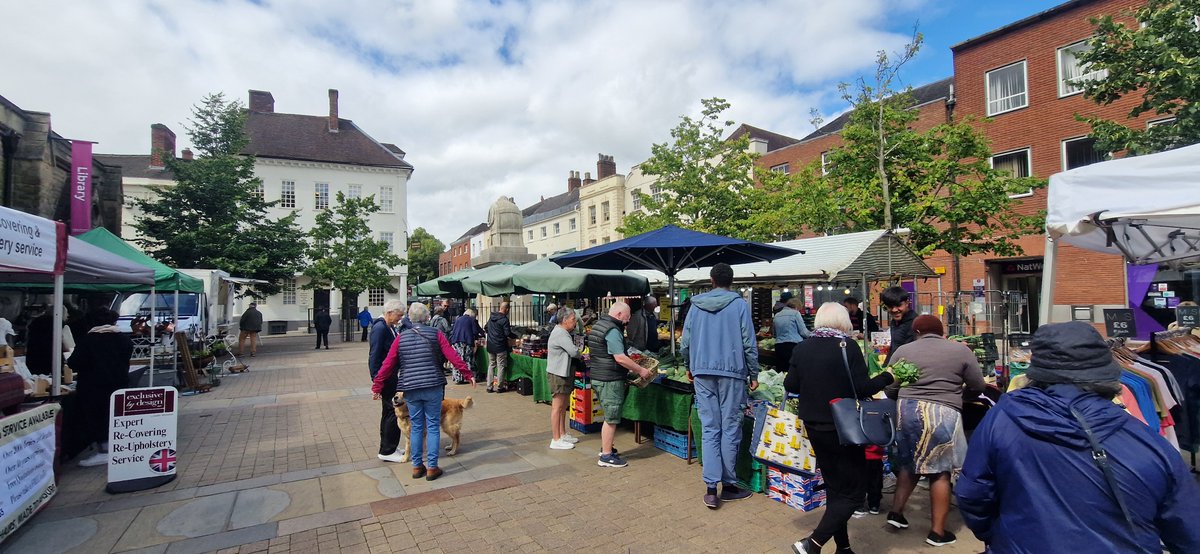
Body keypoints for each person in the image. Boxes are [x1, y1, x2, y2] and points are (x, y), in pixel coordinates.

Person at [956, 321, 1200, 553]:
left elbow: (973, 495)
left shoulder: (1002, 419)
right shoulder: (1149, 442)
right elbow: (1188, 532)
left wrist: (999, 536)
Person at [784, 302, 896, 554]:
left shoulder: (802, 347)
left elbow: (791, 383)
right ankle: (811, 544)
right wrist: (889, 376)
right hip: (843, 428)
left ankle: (843, 548)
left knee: (836, 490)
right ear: (843, 321)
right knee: (855, 494)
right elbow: (863, 389)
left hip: (814, 427)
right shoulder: (848, 346)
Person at [881, 314, 985, 546]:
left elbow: (889, 387)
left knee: (909, 463)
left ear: (916, 332)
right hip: (943, 413)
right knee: (940, 471)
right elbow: (978, 386)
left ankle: (896, 514)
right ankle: (937, 532)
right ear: (941, 331)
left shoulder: (903, 351)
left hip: (908, 412)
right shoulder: (960, 350)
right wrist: (958, 395)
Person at [681, 263, 759, 509]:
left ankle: (711, 489)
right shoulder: (739, 305)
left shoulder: (695, 305)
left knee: (710, 428)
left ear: (712, 280)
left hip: (702, 372)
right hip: (733, 373)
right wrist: (753, 371)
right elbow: (749, 341)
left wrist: (688, 365)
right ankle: (730, 485)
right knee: (730, 428)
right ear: (731, 281)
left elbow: (686, 341)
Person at [372, 303, 475, 481]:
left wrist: (377, 385)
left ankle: (417, 466)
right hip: (433, 386)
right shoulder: (436, 334)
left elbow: (388, 363)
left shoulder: (401, 338)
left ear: (409, 318)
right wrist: (467, 373)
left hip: (410, 387)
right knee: (433, 426)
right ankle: (432, 468)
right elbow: (452, 355)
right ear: (427, 318)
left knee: (417, 427)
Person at [588, 301, 652, 468]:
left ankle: (607, 448)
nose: (628, 321)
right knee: (612, 417)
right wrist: (641, 371)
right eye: (627, 317)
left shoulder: (599, 324)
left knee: (609, 415)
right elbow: (620, 358)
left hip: (598, 375)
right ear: (618, 315)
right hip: (609, 378)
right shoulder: (612, 330)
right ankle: (606, 456)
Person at [68, 308, 134, 467]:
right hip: (119, 384)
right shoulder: (123, 339)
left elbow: (73, 362)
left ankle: (103, 451)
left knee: (97, 417)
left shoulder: (88, 340)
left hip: (93, 386)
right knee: (114, 415)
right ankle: (115, 447)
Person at [370, 300, 407, 463]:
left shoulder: (389, 327)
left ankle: (389, 446)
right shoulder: (380, 328)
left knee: (388, 412)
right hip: (385, 377)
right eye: (398, 315)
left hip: (390, 375)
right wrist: (377, 380)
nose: (399, 319)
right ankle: (387, 450)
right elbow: (375, 355)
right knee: (392, 412)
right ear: (390, 312)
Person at [547, 308, 581, 450]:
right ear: (565, 320)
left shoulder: (562, 332)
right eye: (573, 320)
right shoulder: (561, 333)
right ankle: (556, 439)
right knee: (557, 407)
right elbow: (573, 351)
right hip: (558, 374)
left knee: (562, 406)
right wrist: (580, 352)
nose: (575, 323)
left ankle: (562, 433)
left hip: (563, 372)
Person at [485, 301, 517, 393]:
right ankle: (499, 387)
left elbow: (486, 327)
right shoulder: (504, 319)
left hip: (490, 345)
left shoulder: (492, 317)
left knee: (491, 365)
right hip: (500, 346)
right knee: (500, 365)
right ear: (506, 309)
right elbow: (507, 333)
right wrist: (515, 336)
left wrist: (492, 334)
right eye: (508, 309)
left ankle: (489, 386)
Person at [773, 298, 810, 373]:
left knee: (781, 372)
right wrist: (813, 335)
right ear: (797, 307)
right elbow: (803, 332)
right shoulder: (795, 313)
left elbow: (774, 334)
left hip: (779, 346)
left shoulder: (777, 315)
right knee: (793, 371)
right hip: (793, 346)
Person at [881, 286, 916, 365]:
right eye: (890, 306)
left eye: (898, 305)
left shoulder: (915, 323)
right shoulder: (894, 322)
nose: (894, 310)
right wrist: (886, 367)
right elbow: (894, 347)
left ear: (907, 303)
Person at [449, 308, 484, 385]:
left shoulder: (458, 319)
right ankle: (472, 377)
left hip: (456, 341)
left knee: (458, 359)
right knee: (468, 359)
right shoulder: (471, 320)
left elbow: (453, 330)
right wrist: (478, 337)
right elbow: (475, 331)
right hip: (467, 341)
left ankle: (458, 378)